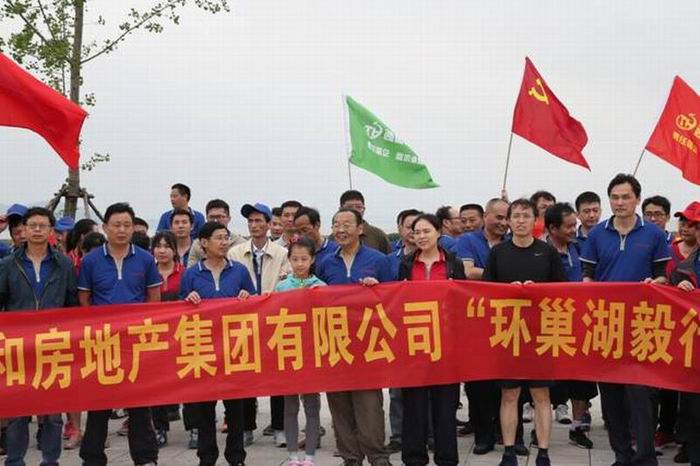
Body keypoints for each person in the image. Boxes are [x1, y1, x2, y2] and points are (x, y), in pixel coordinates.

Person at [581, 174, 670, 466]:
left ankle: (645, 457)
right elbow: (587, 276)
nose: (620, 203)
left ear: (637, 199)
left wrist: (654, 282)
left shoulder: (654, 235)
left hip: (642, 324)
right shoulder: (597, 234)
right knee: (611, 396)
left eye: (626, 197)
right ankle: (622, 455)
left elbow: (662, 275)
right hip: (606, 324)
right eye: (615, 197)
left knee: (642, 394)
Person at [483, 198, 567, 466]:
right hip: (509, 333)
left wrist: (538, 291)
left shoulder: (547, 252)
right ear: (508, 221)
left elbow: (563, 291)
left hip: (541, 334)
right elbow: (485, 292)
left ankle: (543, 452)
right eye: (516, 216)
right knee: (510, 394)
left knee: (541, 395)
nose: (520, 221)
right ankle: (509, 451)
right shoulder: (498, 253)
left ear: (535, 220)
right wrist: (506, 292)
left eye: (526, 216)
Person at [78, 202, 161, 466]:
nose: (122, 230)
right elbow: (84, 298)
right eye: (116, 225)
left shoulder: (145, 259)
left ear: (133, 227)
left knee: (139, 404)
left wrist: (140, 326)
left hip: (135, 342)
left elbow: (154, 296)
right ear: (105, 227)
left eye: (127, 225)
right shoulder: (90, 261)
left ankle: (145, 457)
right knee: (99, 405)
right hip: (102, 343)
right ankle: (92, 458)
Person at [0, 207, 78, 466]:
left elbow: (72, 304)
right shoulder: (8, 264)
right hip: (18, 347)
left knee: (52, 413)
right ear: (23, 229)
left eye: (42, 226)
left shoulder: (63, 264)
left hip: (53, 345)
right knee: (17, 412)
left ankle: (50, 461)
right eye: (31, 225)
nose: (36, 230)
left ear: (51, 231)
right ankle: (15, 461)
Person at [316, 208, 392, 466]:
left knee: (369, 405)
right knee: (340, 406)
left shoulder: (379, 260)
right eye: (336, 224)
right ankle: (350, 457)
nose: (341, 229)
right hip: (335, 343)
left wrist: (377, 290)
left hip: (368, 344)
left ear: (360, 229)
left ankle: (378, 457)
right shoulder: (325, 262)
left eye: (347, 224)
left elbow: (394, 298)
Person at [180, 221, 255, 466]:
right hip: (203, 348)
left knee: (235, 408)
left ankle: (236, 457)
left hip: (234, 348)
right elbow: (178, 312)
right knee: (204, 408)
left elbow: (255, 302)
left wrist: (246, 297)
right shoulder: (191, 274)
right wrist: (188, 300)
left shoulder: (239, 271)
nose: (224, 242)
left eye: (226, 238)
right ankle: (207, 457)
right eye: (219, 238)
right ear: (204, 242)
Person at [398, 213, 464, 466]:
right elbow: (396, 298)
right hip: (415, 341)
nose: (421, 236)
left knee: (445, 405)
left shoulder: (453, 263)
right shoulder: (406, 264)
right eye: (417, 232)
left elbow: (465, 300)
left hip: (446, 343)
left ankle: (446, 458)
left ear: (438, 232)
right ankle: (414, 458)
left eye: (426, 231)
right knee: (413, 404)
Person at [228, 203, 290, 446]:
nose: (254, 226)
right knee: (245, 377)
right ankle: (246, 428)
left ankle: (279, 427)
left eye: (258, 221)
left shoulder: (282, 253)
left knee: (278, 377)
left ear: (268, 224)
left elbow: (287, 284)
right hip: (244, 323)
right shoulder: (235, 253)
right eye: (250, 222)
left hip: (275, 321)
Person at [544, 203, 596, 449]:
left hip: (581, 325)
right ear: (552, 228)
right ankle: (541, 429)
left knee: (581, 380)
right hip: (550, 325)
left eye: (574, 225)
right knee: (546, 382)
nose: (574, 230)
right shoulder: (540, 252)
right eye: (568, 226)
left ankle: (577, 428)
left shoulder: (581, 248)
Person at [273, 237, 325, 466]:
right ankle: (293, 455)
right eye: (295, 259)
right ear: (289, 260)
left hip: (312, 353)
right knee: (290, 406)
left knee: (312, 407)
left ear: (312, 260)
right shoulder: (282, 287)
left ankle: (310, 455)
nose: (300, 263)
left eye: (304, 259)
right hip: (289, 352)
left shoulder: (321, 287)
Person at [656, 202, 700, 453]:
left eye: (693, 225)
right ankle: (669, 431)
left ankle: (689, 443)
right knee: (672, 382)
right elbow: (661, 280)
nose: (686, 228)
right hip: (674, 327)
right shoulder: (669, 252)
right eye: (683, 222)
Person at [384, 208, 422, 454]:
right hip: (396, 331)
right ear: (399, 229)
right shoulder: (387, 261)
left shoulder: (437, 258)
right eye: (409, 227)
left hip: (425, 328)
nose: (413, 232)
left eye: (418, 228)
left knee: (427, 387)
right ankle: (398, 435)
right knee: (397, 390)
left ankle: (428, 434)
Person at [669, 205, 700, 466]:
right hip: (691, 338)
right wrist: (678, 286)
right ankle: (689, 445)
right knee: (690, 398)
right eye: (694, 226)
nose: (694, 230)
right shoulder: (686, 264)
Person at [150, 230, 186, 448]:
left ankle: (194, 427)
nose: (162, 250)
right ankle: (160, 428)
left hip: (181, 333)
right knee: (157, 383)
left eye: (167, 246)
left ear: (175, 250)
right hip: (155, 335)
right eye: (158, 246)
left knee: (188, 381)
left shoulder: (186, 273)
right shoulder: (148, 272)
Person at [455, 198, 509, 280]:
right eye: (499, 218)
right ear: (485, 216)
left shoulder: (510, 242)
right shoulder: (468, 239)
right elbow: (468, 272)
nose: (504, 223)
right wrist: (504, 274)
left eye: (507, 219)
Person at [187, 199, 246, 268]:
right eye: (212, 217)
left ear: (228, 218)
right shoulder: (198, 244)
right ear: (207, 218)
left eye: (220, 217)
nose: (215, 220)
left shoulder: (240, 243)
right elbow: (191, 269)